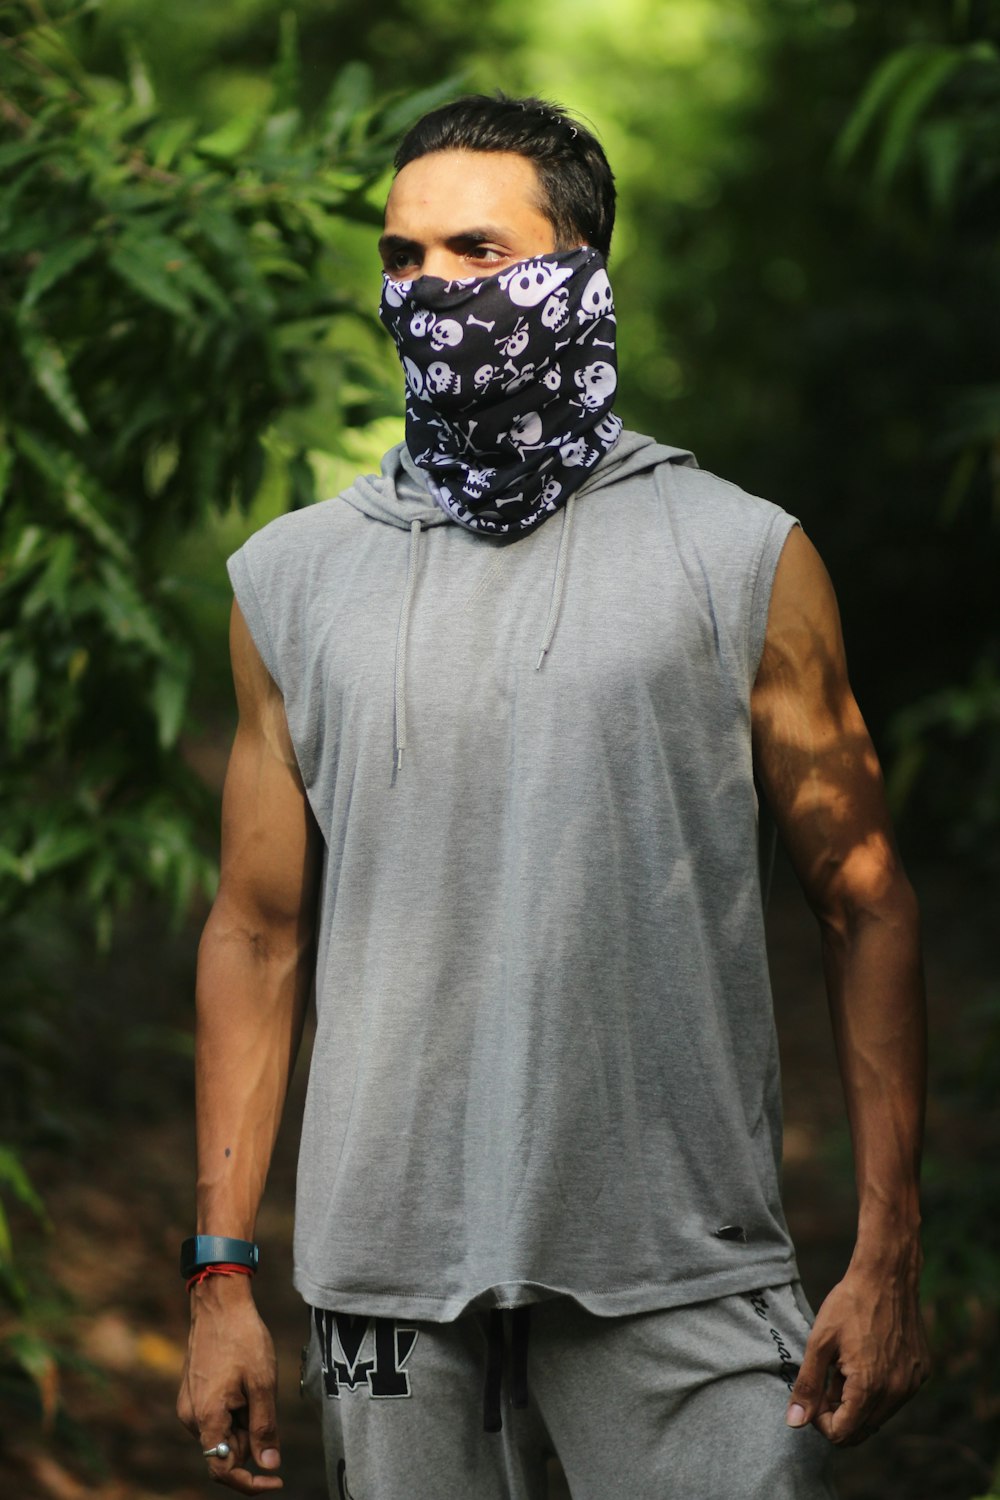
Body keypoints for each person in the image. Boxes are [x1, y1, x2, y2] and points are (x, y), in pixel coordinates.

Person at [177, 93, 930, 1498]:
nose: (433, 291)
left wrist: (888, 1253)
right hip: (388, 1289)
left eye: (477, 249)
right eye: (403, 260)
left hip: (681, 1274)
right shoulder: (292, 580)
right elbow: (256, 933)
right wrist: (221, 1274)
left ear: (578, 267)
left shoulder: (739, 555)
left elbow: (866, 898)